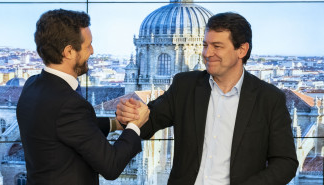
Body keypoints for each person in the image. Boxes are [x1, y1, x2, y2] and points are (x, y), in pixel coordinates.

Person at [116, 12, 298, 185]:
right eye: (204, 45)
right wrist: (130, 115)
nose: (207, 53)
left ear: (242, 50)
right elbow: (148, 123)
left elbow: (285, 162)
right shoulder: (184, 86)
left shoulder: (269, 98)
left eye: (217, 46)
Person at [16, 9, 149, 185]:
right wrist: (134, 126)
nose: (93, 51)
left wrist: (116, 123)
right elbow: (111, 166)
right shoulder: (69, 104)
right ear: (69, 52)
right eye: (88, 45)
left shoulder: (32, 85)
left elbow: (64, 126)